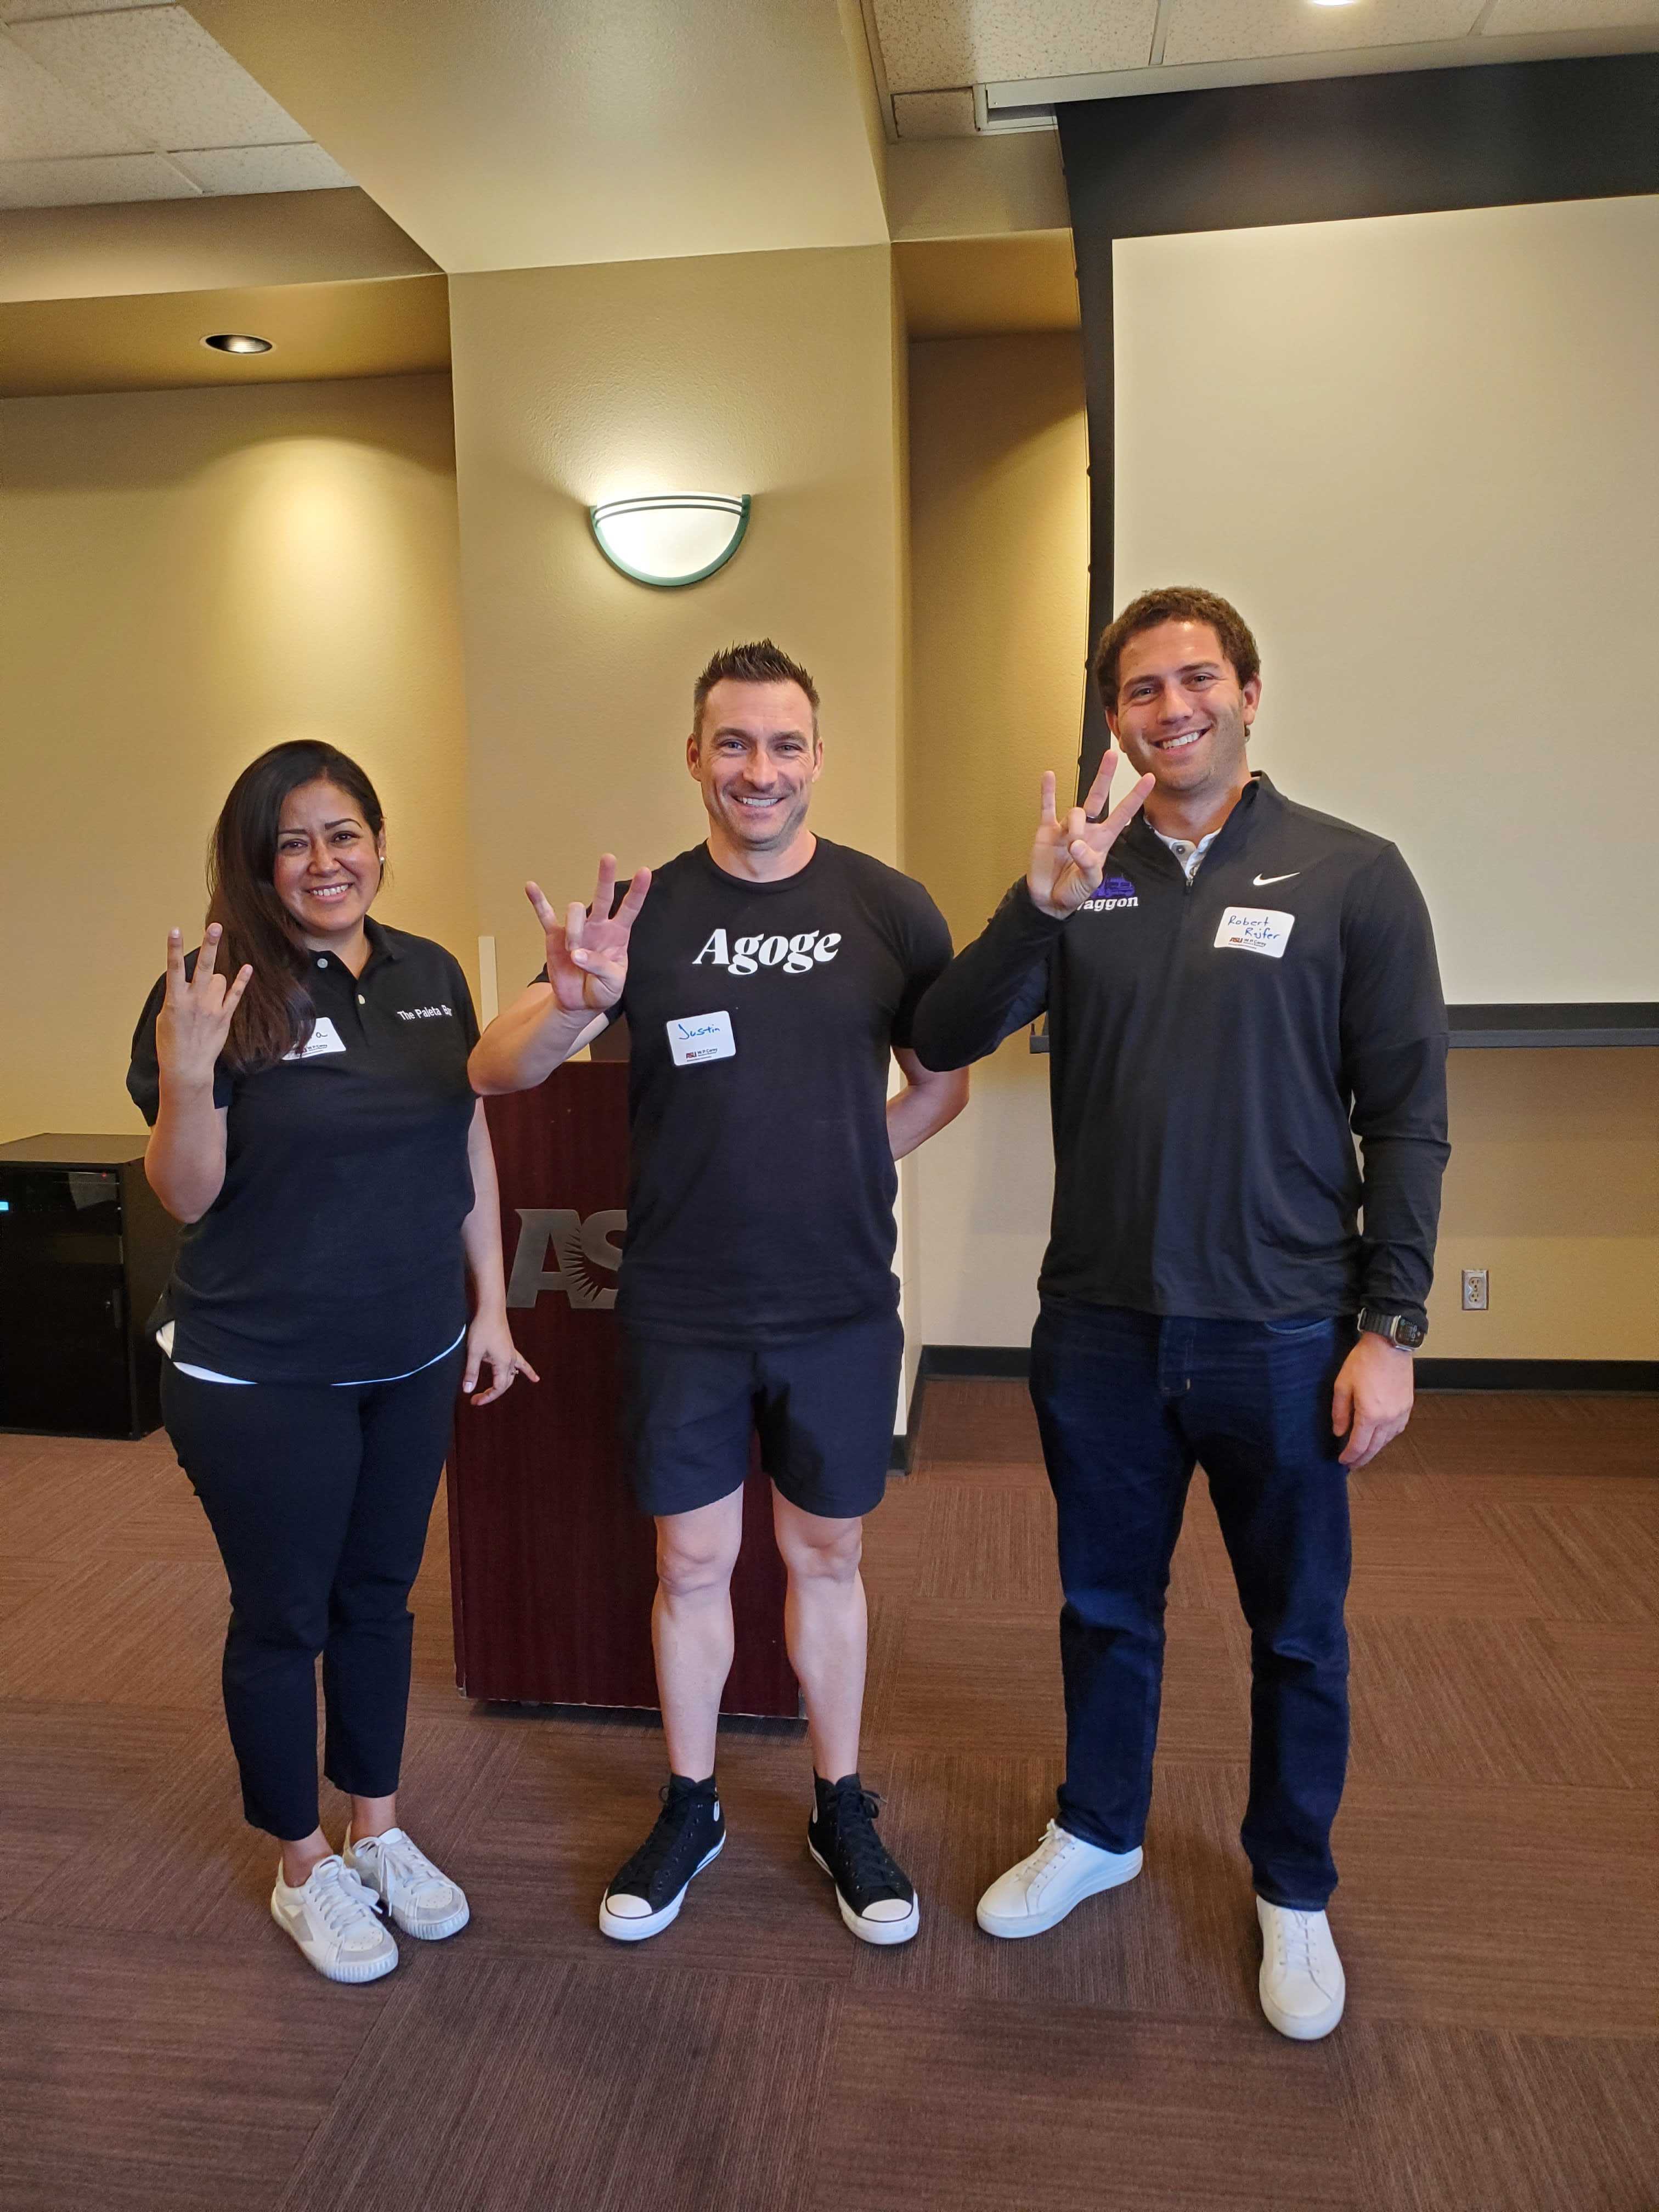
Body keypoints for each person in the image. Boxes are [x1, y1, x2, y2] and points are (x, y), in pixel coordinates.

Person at [911, 586, 1448, 2039]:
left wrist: (1390, 1327)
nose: (1172, 711)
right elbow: (943, 1035)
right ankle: (1099, 1828)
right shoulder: (1085, 878)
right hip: (1101, 1325)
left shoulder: (1354, 876)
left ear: (1251, 694)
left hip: (1284, 1330)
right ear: (1115, 720)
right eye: (1141, 692)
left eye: (1197, 681)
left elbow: (1406, 1121)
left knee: (1297, 1632)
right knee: (1102, 1607)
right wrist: (1041, 905)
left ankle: (1292, 1884)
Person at [471, 639, 967, 1946]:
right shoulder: (642, 910)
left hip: (840, 1304)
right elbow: (497, 1065)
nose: (760, 769)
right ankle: (689, 1805)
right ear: (695, 755)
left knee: (829, 1554)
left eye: (785, 745)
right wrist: (579, 1005)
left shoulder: (891, 907)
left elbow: (941, 1084)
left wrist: (841, 1162)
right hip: (685, 1305)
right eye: (733, 744)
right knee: (691, 1560)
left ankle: (839, 1804)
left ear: (818, 757)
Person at [127, 740, 534, 1985]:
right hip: (261, 1372)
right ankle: (303, 1864)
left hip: (408, 1351)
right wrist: (191, 1076)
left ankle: (379, 1826)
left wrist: (492, 1305)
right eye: (295, 840)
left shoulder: (426, 975)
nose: (325, 861)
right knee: (284, 1615)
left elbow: (463, 1135)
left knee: (377, 1601)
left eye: (344, 832)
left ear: (375, 841)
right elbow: (186, 1195)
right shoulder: (212, 987)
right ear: (258, 860)